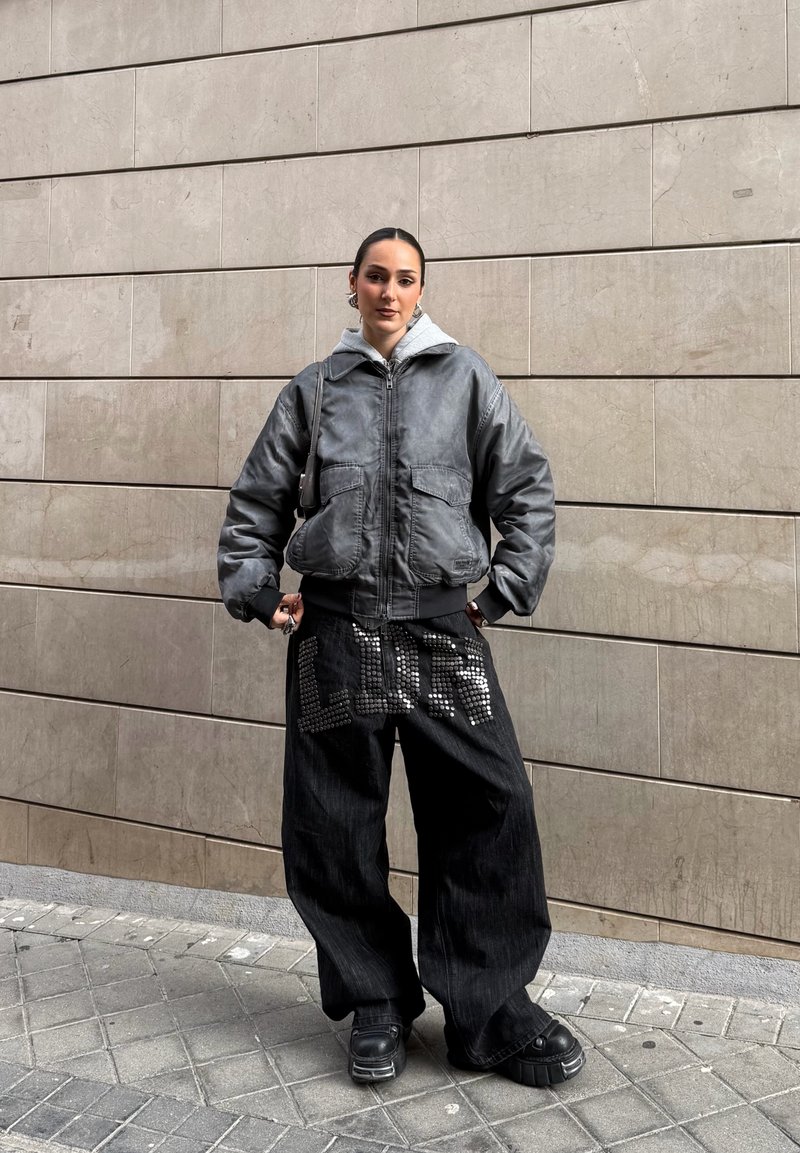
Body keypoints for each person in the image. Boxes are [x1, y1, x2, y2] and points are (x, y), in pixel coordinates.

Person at [217, 227, 584, 1089]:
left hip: (440, 635)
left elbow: (526, 488)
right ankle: (376, 1001)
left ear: (422, 291)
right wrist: (259, 589)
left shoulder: (466, 379)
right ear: (351, 285)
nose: (389, 291)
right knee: (333, 827)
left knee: (489, 807)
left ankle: (488, 1015)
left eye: (405, 278)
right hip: (336, 637)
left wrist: (501, 591)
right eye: (375, 276)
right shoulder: (314, 389)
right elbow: (257, 501)